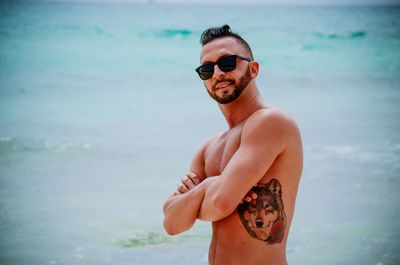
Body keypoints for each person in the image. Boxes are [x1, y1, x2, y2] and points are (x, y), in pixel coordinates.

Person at [162, 24, 303, 265]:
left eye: (227, 63)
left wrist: (197, 199)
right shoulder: (209, 148)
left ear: (254, 68)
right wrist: (209, 186)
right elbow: (172, 224)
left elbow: (220, 203)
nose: (217, 73)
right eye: (207, 69)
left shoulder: (269, 122)